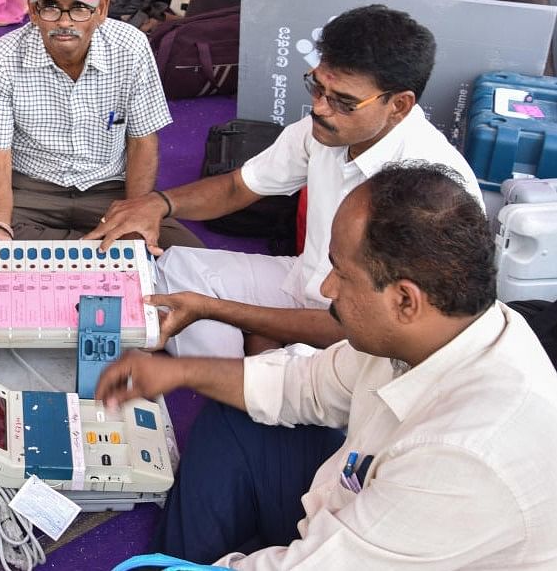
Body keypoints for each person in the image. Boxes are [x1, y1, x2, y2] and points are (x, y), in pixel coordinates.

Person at [97, 162, 557, 568]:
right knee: (235, 414)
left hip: (374, 542)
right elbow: (301, 384)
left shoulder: (466, 459)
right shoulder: (440, 329)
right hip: (355, 502)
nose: (327, 288)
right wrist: (179, 373)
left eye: (342, 273)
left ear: (404, 299)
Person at [85, 4, 482, 358]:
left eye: (343, 101)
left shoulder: (429, 194)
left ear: (399, 105)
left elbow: (352, 326)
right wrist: (159, 203)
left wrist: (221, 310)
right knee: (173, 269)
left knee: (221, 327)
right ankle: (240, 371)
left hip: (362, 342)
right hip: (303, 281)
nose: (320, 108)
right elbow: (238, 187)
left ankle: (242, 372)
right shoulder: (328, 128)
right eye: (316, 86)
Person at [0, 0, 203, 249]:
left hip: (110, 189)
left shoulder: (131, 47)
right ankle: (90, 253)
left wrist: (134, 215)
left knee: (186, 252)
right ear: (33, 11)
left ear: (102, 9)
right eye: (51, 8)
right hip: (29, 189)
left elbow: (143, 143)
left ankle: (59, 254)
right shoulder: (1, 56)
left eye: (80, 8)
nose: (65, 22)